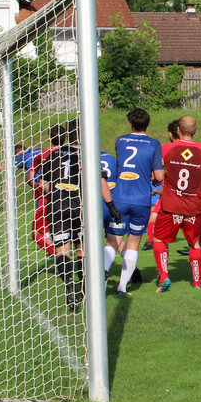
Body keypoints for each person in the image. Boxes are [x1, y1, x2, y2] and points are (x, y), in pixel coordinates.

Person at [39, 121, 121, 310]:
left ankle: (69, 289)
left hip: (57, 207)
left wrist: (56, 191)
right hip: (81, 207)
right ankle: (84, 287)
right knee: (82, 249)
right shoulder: (88, 157)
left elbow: (43, 185)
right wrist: (112, 207)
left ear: (69, 135)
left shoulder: (52, 156)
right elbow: (101, 183)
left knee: (62, 251)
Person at [152, 116, 201, 290]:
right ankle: (196, 282)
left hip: (171, 205)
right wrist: (199, 185)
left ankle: (164, 277)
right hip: (193, 206)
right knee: (194, 243)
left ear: (178, 131)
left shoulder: (166, 148)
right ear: (194, 131)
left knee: (158, 238)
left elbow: (157, 176)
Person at [110, 108, 165, 295]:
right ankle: (122, 287)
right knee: (133, 243)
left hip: (120, 196)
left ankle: (101, 276)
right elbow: (158, 174)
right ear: (147, 125)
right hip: (141, 199)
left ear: (130, 124)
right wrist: (155, 174)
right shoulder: (153, 144)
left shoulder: (121, 141)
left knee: (113, 240)